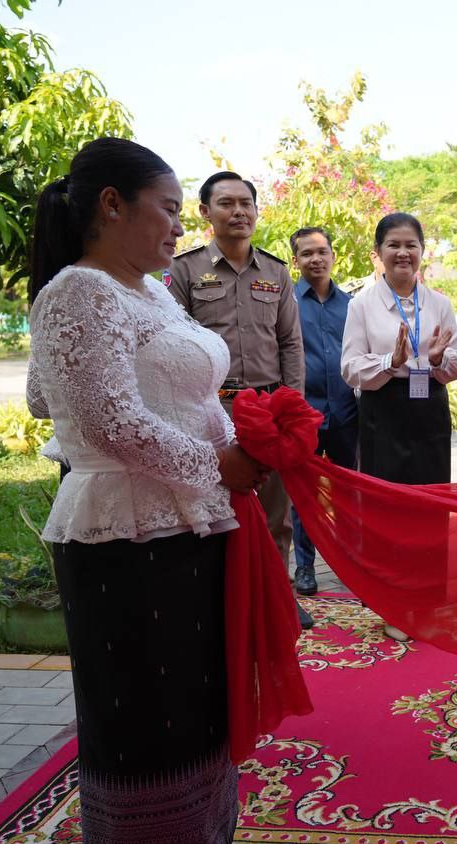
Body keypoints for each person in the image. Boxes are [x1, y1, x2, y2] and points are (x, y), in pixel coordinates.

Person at [26, 137, 264, 844]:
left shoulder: (149, 290)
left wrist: (239, 442)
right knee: (146, 714)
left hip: (187, 519)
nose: (180, 226)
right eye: (169, 208)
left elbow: (47, 394)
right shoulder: (80, 290)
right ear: (112, 205)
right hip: (128, 533)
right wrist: (218, 463)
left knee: (195, 703)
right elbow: (109, 420)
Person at [166, 170, 311, 629]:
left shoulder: (276, 271)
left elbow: (290, 343)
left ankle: (279, 598)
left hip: (268, 410)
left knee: (275, 514)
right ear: (205, 212)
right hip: (212, 409)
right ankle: (224, 601)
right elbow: (172, 344)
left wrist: (293, 408)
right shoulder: (184, 270)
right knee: (216, 508)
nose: (238, 212)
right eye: (226, 203)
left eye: (246, 203)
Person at [340, 212, 457, 641]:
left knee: (430, 506)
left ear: (421, 251)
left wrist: (439, 360)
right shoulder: (361, 305)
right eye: (393, 245)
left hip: (429, 406)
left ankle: (428, 599)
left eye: (411, 244)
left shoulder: (440, 303)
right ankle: (393, 602)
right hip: (384, 410)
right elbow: (349, 367)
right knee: (388, 509)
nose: (403, 253)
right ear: (378, 253)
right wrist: (389, 361)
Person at [289, 227, 360, 597]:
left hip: (347, 412)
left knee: (349, 491)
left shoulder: (351, 305)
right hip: (305, 414)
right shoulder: (287, 303)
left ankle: (351, 562)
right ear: (295, 260)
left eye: (321, 252)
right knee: (305, 495)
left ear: (333, 255)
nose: (315, 259)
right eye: (306, 253)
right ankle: (305, 566)